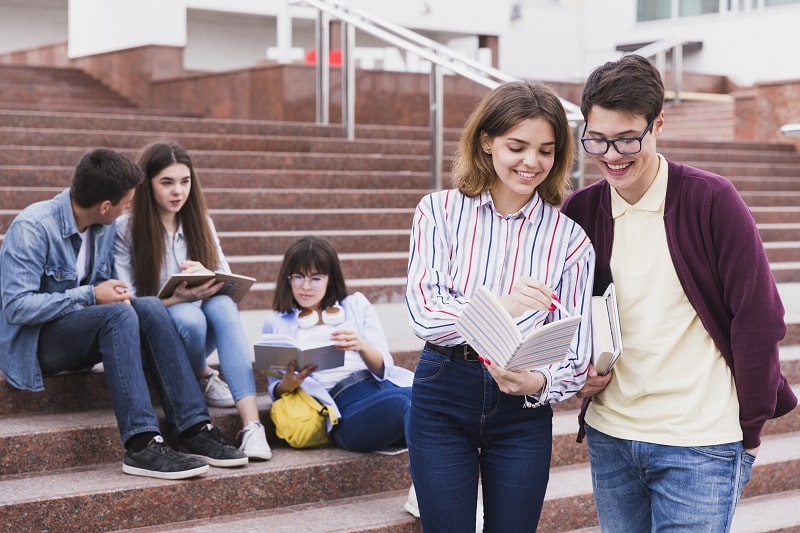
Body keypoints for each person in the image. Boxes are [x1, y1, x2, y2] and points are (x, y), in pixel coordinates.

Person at [561, 54, 798, 532]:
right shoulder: (581, 211)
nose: (611, 155)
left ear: (658, 124)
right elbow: (566, 314)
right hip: (612, 437)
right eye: (597, 139)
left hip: (700, 441)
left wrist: (749, 430)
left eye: (628, 138)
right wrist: (573, 370)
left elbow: (758, 317)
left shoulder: (711, 200)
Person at [405, 80, 596, 532]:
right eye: (517, 146)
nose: (532, 162)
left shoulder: (570, 240)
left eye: (546, 151)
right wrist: (502, 308)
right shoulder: (438, 212)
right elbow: (423, 311)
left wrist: (536, 381)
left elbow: (576, 348)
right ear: (487, 142)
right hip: (444, 388)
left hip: (523, 409)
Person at [0, 148, 248, 480]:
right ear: (105, 206)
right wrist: (90, 295)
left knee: (147, 306)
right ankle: (142, 444)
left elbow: (104, 289)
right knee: (117, 316)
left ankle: (194, 428)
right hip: (35, 345)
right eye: (126, 203)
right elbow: (16, 308)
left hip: (80, 332)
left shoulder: (101, 228)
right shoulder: (33, 227)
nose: (128, 207)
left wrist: (113, 294)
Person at [114, 141, 271, 461]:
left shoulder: (200, 222)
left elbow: (228, 282)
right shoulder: (126, 228)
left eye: (185, 182)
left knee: (223, 305)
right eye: (167, 182)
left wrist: (209, 273)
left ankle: (253, 427)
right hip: (157, 342)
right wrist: (174, 298)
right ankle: (202, 374)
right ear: (148, 184)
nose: (178, 192)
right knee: (189, 316)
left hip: (201, 331)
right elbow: (125, 301)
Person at [261, 235, 413, 453]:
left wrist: (360, 346)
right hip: (342, 409)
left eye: (315, 278)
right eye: (298, 277)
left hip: (380, 388)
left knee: (429, 398)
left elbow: (384, 367)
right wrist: (290, 382)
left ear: (330, 278)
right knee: (407, 401)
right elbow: (274, 388)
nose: (305, 286)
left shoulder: (355, 305)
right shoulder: (277, 322)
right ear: (288, 278)